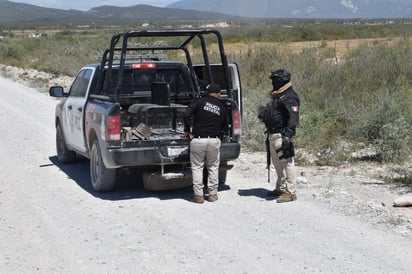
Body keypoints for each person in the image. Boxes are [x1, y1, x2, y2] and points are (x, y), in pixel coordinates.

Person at [258, 69, 300, 203]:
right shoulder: (278, 96)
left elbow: (293, 117)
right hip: (273, 133)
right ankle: (280, 187)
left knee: (287, 163)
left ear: (280, 80)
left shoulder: (289, 96)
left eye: (274, 80)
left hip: (282, 134)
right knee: (276, 163)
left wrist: (288, 136)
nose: (272, 83)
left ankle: (290, 192)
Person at [184, 83, 228, 203]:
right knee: (213, 167)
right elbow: (225, 126)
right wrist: (220, 138)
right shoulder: (222, 106)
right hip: (214, 140)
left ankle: (198, 195)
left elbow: (187, 113)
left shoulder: (199, 102)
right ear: (218, 93)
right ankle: (213, 194)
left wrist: (187, 130)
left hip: (198, 139)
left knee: (197, 167)